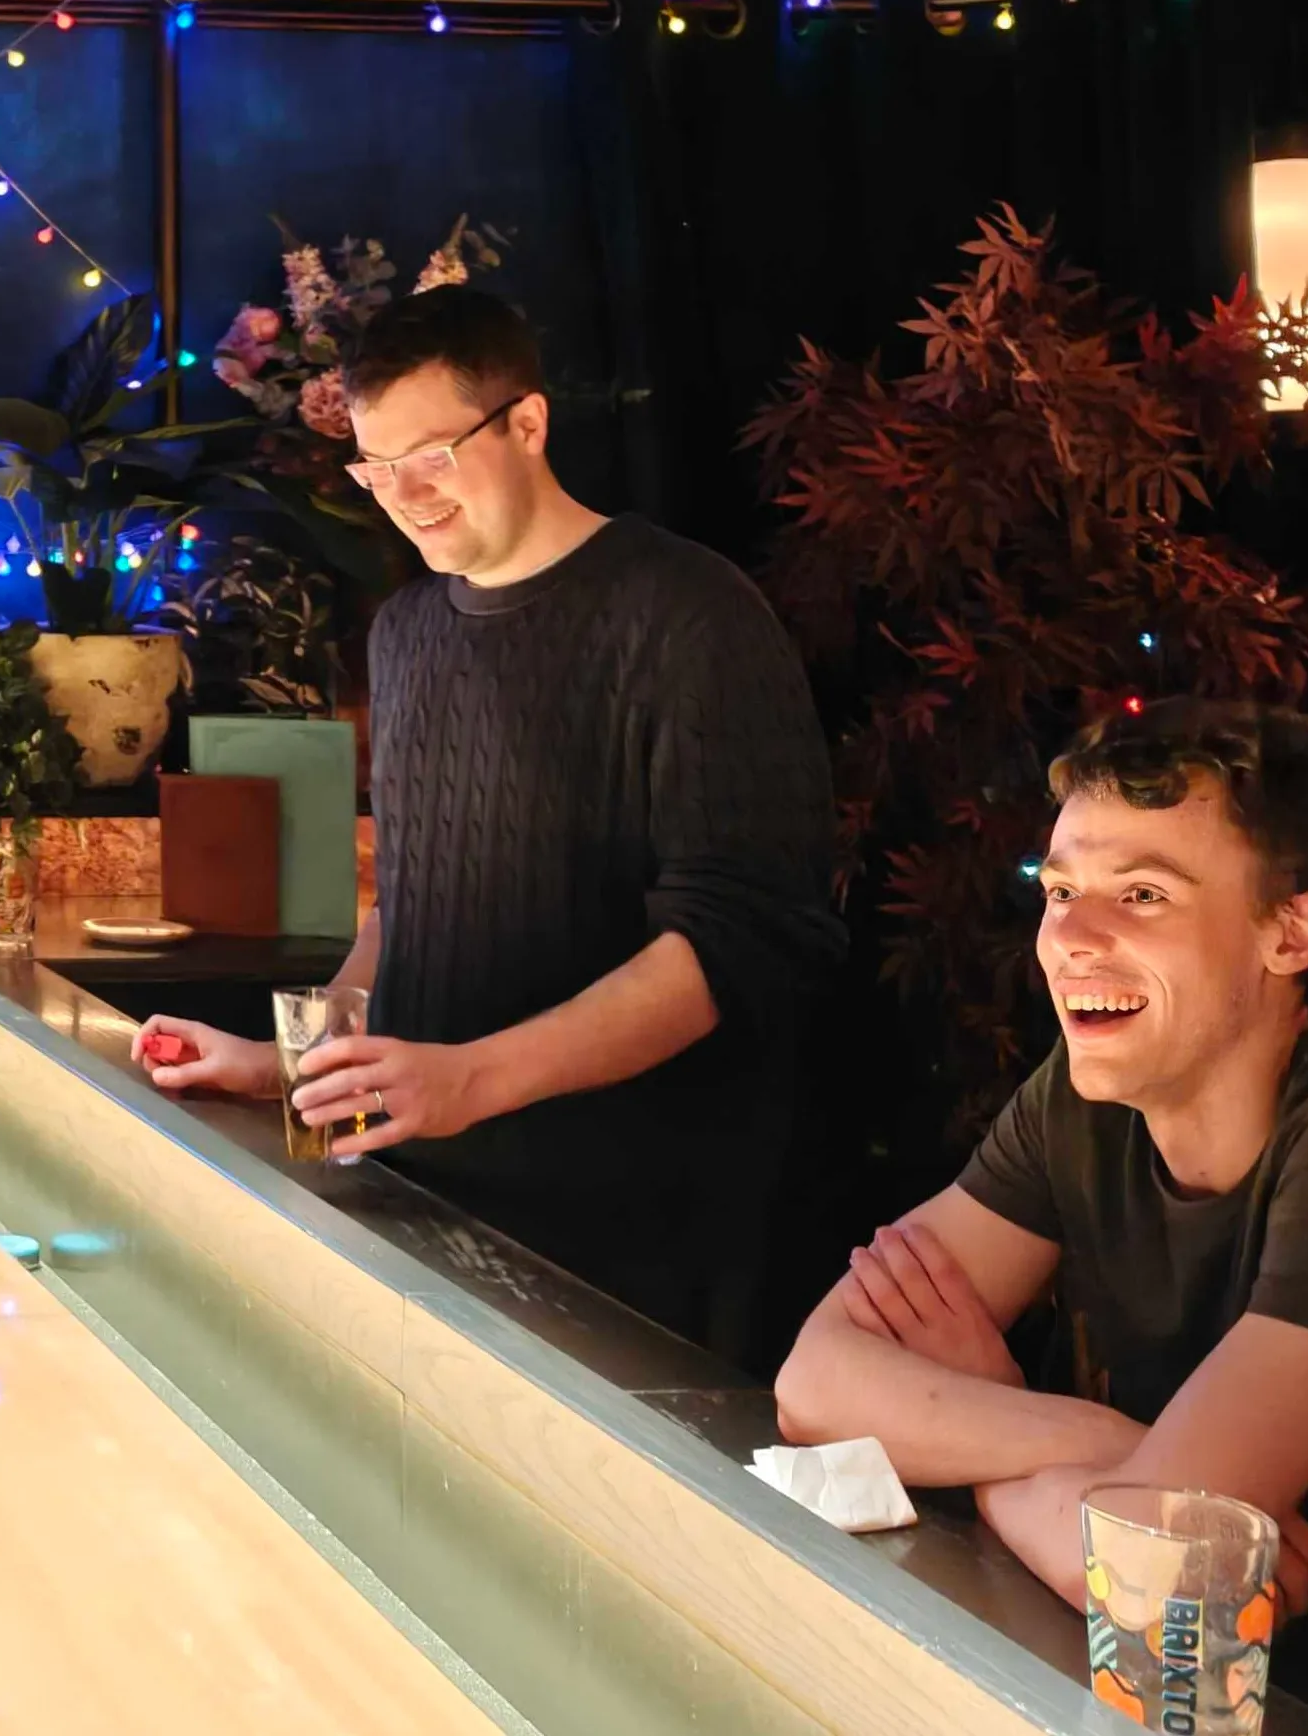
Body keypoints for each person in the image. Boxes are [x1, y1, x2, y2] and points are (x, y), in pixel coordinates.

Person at [133, 284, 842, 1353]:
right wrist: (306, 1059)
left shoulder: (690, 615)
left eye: (432, 455)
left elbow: (733, 947)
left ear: (528, 423)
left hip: (635, 1244)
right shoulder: (407, 631)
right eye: (376, 469)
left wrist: (471, 1078)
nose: (402, 496)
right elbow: (408, 901)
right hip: (429, 1201)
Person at [775, 702, 1308, 1720]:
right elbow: (814, 1385)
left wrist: (983, 1432)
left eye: (1142, 893)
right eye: (1060, 889)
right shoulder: (1085, 1100)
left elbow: (1171, 1583)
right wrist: (1111, 1448)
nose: (1071, 937)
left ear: (1292, 933)